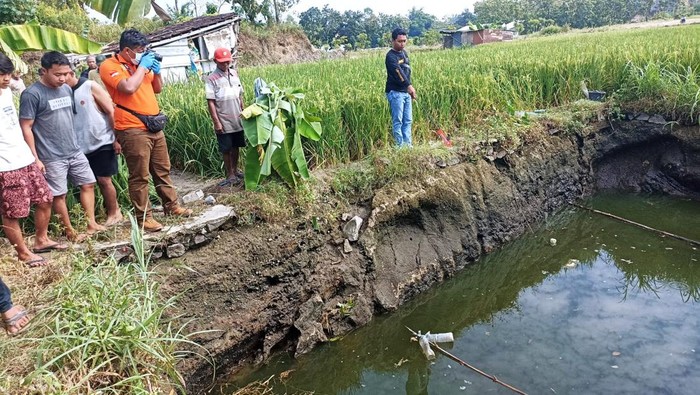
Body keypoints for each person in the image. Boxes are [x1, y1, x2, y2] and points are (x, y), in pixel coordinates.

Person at [100, 29, 192, 232]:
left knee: (162, 169)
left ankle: (172, 206)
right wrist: (142, 67)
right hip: (131, 127)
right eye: (140, 50)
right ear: (126, 50)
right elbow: (128, 88)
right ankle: (144, 218)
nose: (143, 53)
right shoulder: (109, 66)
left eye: (145, 49)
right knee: (140, 174)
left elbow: (157, 88)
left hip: (153, 125)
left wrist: (156, 70)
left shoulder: (142, 65)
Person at [19, 51, 106, 242]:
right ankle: (69, 232)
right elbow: (26, 127)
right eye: (58, 74)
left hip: (74, 150)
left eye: (66, 74)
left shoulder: (66, 89)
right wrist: (35, 158)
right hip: (51, 155)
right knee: (59, 194)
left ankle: (90, 223)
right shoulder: (32, 94)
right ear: (43, 71)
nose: (63, 78)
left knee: (88, 183)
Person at [0, 52, 65, 266]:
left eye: (8, 74)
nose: (6, 78)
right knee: (13, 211)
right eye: (1, 74)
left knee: (45, 198)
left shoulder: (6, 92)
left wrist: (33, 157)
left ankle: (41, 239)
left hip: (24, 158)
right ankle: (23, 254)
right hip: (5, 165)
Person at [66, 69, 124, 226]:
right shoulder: (62, 92)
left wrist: (116, 139)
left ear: (71, 73)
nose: (61, 80)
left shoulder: (90, 86)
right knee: (87, 183)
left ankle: (115, 212)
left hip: (103, 140)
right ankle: (96, 215)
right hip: (80, 146)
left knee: (104, 180)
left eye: (63, 75)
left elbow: (111, 111)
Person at [205, 47, 245, 186]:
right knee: (226, 148)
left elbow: (240, 94)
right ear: (215, 61)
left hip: (237, 117)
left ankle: (236, 169)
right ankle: (230, 174)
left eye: (227, 62)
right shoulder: (211, 79)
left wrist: (243, 109)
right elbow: (211, 101)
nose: (225, 65)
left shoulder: (234, 74)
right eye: (222, 63)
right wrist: (217, 122)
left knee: (236, 146)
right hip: (223, 118)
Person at [385, 27, 417, 147]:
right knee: (398, 121)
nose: (402, 43)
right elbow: (398, 73)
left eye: (404, 41)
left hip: (405, 92)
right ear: (393, 41)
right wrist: (409, 86)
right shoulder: (390, 56)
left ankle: (408, 146)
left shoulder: (404, 53)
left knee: (408, 120)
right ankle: (399, 147)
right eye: (399, 41)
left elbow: (406, 71)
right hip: (395, 92)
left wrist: (409, 88)